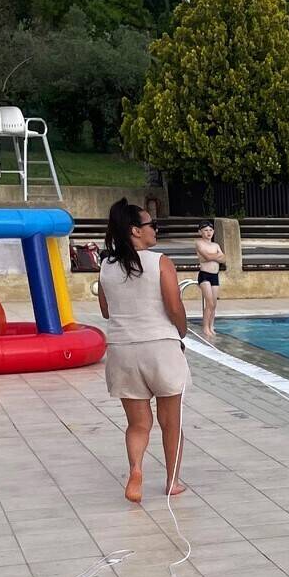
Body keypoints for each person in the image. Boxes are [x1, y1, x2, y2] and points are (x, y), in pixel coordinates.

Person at [98, 199, 189, 503]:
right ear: (136, 230)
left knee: (138, 424)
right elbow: (174, 306)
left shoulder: (106, 267)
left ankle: (136, 469)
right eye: (152, 225)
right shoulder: (159, 261)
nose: (155, 230)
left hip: (122, 350)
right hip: (160, 347)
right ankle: (172, 481)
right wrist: (182, 332)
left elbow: (106, 311)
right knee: (170, 422)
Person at [194, 220, 225, 338]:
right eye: (206, 230)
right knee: (209, 302)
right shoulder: (199, 243)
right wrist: (217, 256)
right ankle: (205, 327)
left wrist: (214, 257)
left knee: (214, 304)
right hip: (204, 275)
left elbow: (224, 259)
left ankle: (211, 325)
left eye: (210, 230)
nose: (208, 232)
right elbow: (206, 257)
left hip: (215, 276)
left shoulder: (216, 245)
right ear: (200, 232)